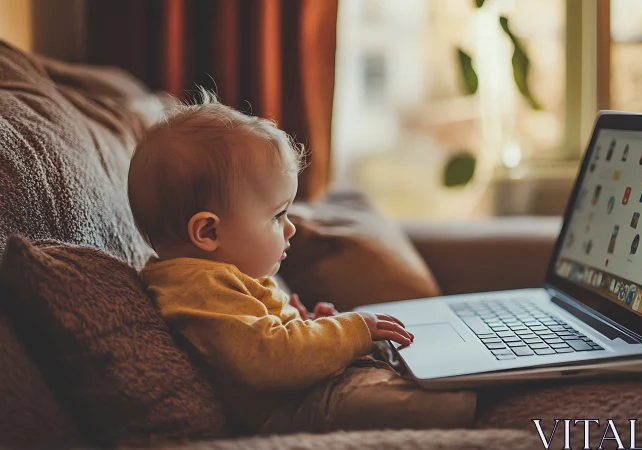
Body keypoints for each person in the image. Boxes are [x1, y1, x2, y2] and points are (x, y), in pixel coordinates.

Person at [127, 89, 477, 435]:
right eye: (277, 215)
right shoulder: (199, 287)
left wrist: (311, 327)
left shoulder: (216, 275)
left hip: (304, 394)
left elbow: (269, 338)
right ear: (207, 232)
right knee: (448, 401)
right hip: (290, 411)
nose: (292, 227)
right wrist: (351, 330)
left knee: (415, 369)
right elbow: (269, 359)